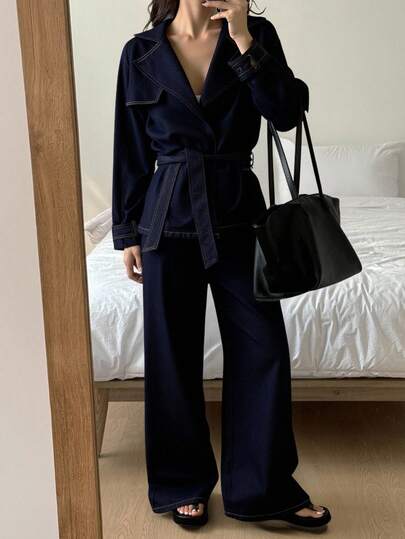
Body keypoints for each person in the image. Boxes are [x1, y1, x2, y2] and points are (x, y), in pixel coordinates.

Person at [111, 0, 331, 531]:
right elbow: (130, 148)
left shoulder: (255, 35)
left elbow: (285, 112)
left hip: (239, 217)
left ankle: (265, 488)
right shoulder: (140, 52)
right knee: (172, 357)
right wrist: (127, 232)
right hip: (167, 222)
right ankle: (183, 483)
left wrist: (244, 40)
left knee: (263, 350)